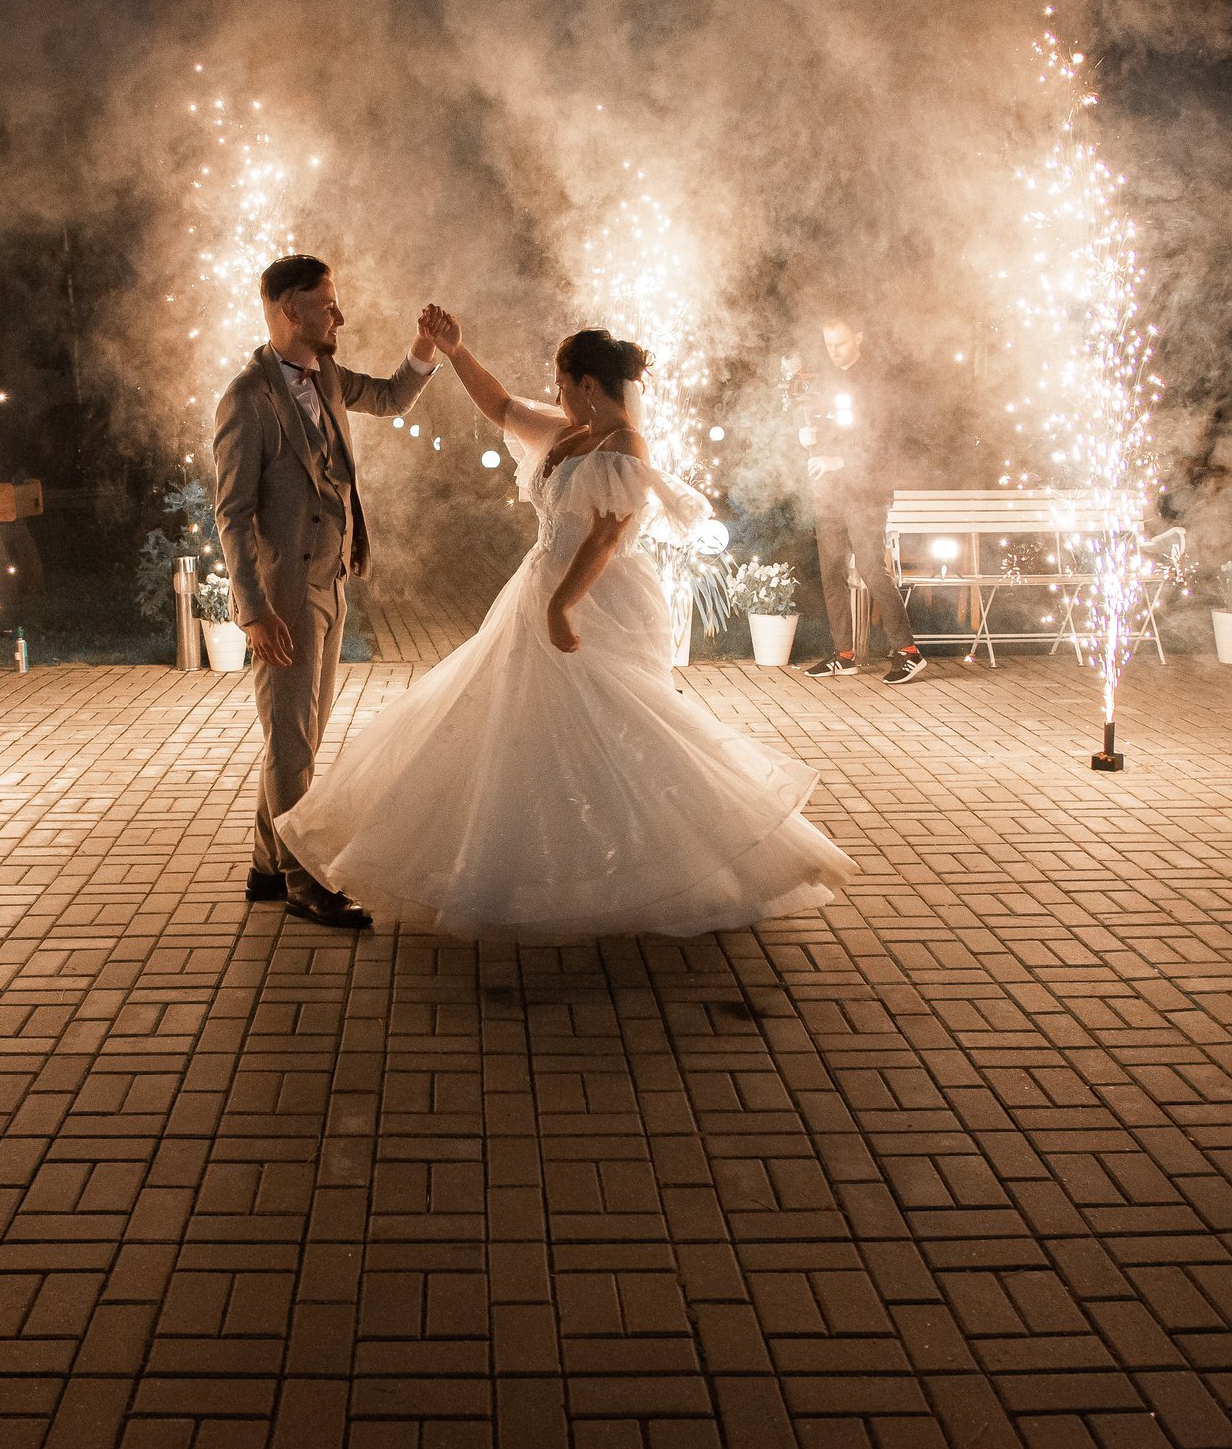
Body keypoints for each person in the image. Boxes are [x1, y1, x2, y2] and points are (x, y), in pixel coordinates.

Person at [271, 316, 857, 942]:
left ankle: (694, 856)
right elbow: (500, 405)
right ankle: (548, 864)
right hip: (540, 590)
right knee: (526, 724)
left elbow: (605, 538)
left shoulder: (624, 447)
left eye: (560, 382)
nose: (554, 393)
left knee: (620, 723)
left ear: (586, 385)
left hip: (598, 601)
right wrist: (456, 351)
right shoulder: (570, 431)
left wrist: (560, 606)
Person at [212, 254, 438, 929]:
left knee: (301, 734)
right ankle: (303, 883)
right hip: (283, 593)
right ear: (291, 311)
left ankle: (265, 866)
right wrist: (253, 611)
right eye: (327, 304)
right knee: (292, 742)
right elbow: (231, 514)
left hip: (329, 582)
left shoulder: (329, 374)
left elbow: (391, 397)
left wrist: (424, 348)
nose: (338, 315)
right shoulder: (246, 398)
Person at [798, 317, 925, 683]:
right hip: (830, 494)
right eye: (828, 344)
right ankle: (844, 654)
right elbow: (832, 431)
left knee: (871, 570)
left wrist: (837, 460)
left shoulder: (877, 383)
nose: (834, 351)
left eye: (840, 343)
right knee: (831, 573)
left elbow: (883, 442)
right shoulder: (828, 381)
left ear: (858, 338)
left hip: (866, 495)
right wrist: (809, 438)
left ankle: (909, 652)